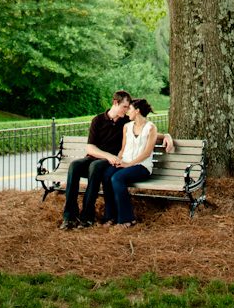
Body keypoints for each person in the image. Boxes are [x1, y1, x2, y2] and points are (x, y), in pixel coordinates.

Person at [60, 91, 172, 230]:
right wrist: (108, 156)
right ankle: (69, 216)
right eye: (124, 107)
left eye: (128, 108)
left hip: (112, 162)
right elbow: (89, 148)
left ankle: (87, 216)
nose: (126, 111)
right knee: (75, 166)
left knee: (96, 167)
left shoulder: (126, 121)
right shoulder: (98, 120)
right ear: (115, 103)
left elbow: (145, 130)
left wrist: (166, 135)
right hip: (102, 157)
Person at [101, 98, 157, 228]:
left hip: (141, 167)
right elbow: (123, 148)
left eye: (129, 109)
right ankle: (110, 216)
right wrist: (118, 160)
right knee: (107, 174)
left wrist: (128, 164)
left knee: (117, 178)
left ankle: (126, 219)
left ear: (137, 111)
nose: (127, 113)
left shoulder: (150, 128)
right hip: (125, 163)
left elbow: (147, 153)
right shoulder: (127, 127)